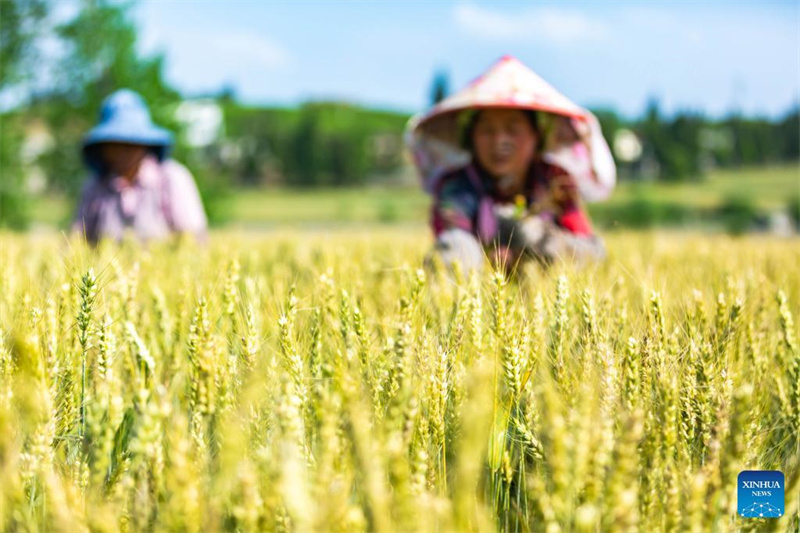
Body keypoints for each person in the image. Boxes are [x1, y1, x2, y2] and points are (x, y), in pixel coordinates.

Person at [407, 56, 616, 273]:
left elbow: (591, 251)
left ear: (536, 137)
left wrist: (541, 240)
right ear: (472, 139)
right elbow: (451, 241)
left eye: (513, 130)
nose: (500, 142)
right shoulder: (457, 187)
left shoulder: (556, 182)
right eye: (487, 131)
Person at [72, 89, 208, 244]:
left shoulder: (172, 177)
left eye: (130, 143)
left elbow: (192, 240)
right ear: (102, 148)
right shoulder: (95, 186)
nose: (121, 151)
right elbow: (76, 242)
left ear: (145, 144)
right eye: (113, 144)